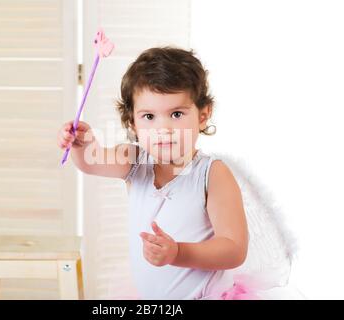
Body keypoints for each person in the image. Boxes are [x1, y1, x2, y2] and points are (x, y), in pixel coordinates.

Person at [57, 47, 290, 299]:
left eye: (176, 114)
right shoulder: (134, 162)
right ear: (132, 123)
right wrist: (82, 143)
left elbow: (234, 249)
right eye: (149, 116)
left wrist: (178, 253)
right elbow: (92, 162)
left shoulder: (212, 174)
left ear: (203, 115)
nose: (163, 129)